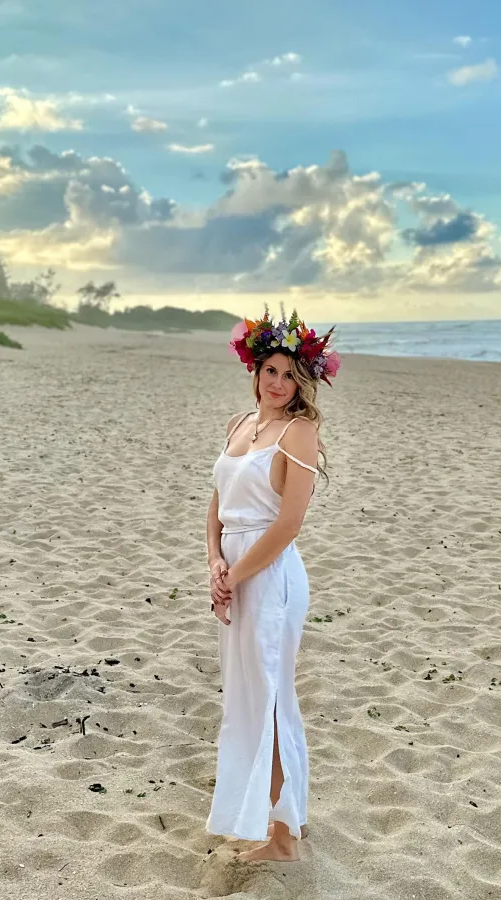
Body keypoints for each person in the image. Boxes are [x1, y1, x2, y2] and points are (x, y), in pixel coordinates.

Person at [204, 308, 341, 862]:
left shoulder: (299, 432)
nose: (278, 383)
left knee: (274, 699)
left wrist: (235, 575)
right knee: (245, 700)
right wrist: (213, 562)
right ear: (255, 370)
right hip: (233, 569)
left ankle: (284, 837)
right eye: (271, 371)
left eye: (289, 374)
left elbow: (288, 524)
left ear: (303, 379)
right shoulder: (240, 422)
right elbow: (217, 506)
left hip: (270, 575)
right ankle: (263, 820)